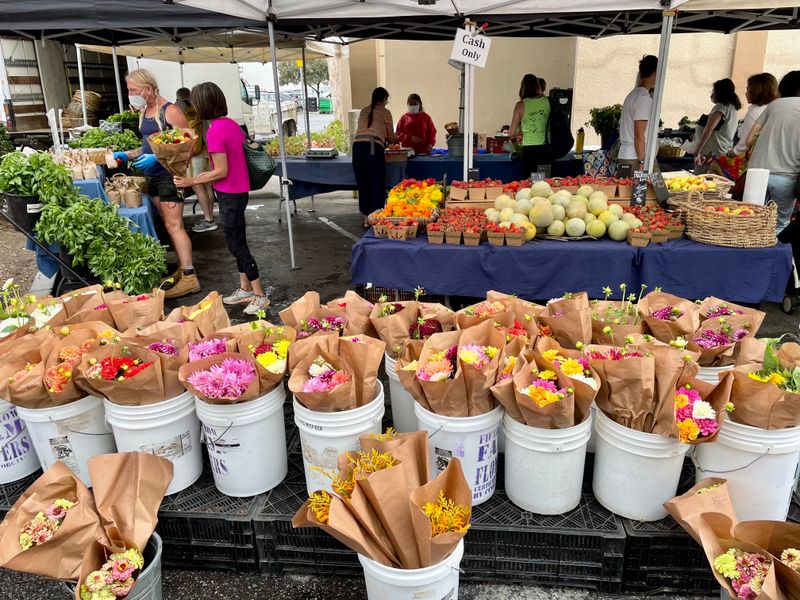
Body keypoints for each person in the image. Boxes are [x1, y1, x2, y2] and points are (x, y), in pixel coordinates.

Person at [174, 82, 270, 315]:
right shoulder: (231, 125)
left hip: (230, 193)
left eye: (196, 102)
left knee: (237, 244)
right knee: (237, 239)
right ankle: (245, 287)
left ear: (203, 104)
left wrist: (191, 181)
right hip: (239, 191)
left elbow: (221, 171)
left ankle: (259, 294)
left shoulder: (215, 130)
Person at [113, 69, 199, 299]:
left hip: (171, 177)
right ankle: (182, 268)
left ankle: (190, 277)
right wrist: (128, 155)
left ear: (148, 89)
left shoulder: (170, 111)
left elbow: (190, 146)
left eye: (133, 90)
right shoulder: (145, 113)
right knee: (167, 223)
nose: (130, 94)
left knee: (175, 225)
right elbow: (146, 148)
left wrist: (159, 161)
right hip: (154, 177)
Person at [747, 70, 800, 233]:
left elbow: (749, 138)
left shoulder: (774, 105)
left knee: (750, 219)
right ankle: (772, 257)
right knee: (779, 223)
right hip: (786, 176)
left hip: (757, 171)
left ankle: (748, 254)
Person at [709, 73, 778, 182]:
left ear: (755, 92)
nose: (745, 93)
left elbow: (746, 140)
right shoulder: (773, 108)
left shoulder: (754, 111)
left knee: (715, 165)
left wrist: (733, 152)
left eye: (748, 90)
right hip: (768, 160)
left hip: (749, 159)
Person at [353, 87, 397, 228]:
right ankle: (376, 217)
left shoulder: (364, 110)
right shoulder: (385, 112)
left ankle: (366, 218)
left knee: (363, 183)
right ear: (384, 99)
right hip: (372, 148)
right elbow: (391, 137)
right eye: (386, 100)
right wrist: (396, 139)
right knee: (376, 182)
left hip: (357, 147)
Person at [617, 55, 658, 175]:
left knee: (625, 193)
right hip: (634, 158)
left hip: (627, 155)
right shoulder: (644, 98)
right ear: (655, 72)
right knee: (645, 193)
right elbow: (639, 133)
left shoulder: (632, 95)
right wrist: (642, 162)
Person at [183, 97, 218, 233]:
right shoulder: (202, 113)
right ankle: (210, 217)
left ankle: (208, 219)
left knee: (197, 186)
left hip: (195, 156)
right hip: (206, 153)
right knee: (208, 185)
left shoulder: (188, 113)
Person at [693, 78, 742, 173]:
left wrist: (698, 149)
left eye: (714, 90)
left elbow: (709, 128)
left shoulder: (721, 107)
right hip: (721, 150)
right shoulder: (732, 108)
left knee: (701, 178)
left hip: (712, 152)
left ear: (719, 92)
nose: (712, 93)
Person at [509, 74, 551, 179]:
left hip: (529, 149)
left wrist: (516, 145)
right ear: (538, 86)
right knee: (543, 183)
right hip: (546, 147)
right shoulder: (548, 102)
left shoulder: (520, 105)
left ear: (522, 87)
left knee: (529, 182)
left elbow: (512, 133)